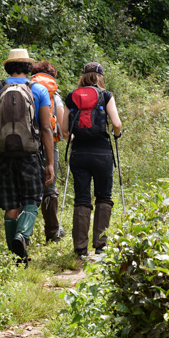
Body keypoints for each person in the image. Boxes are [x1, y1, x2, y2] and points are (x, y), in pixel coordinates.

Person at [0, 49, 56, 264]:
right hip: (30, 154)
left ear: (8, 67)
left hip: (3, 154)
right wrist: (49, 163)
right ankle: (22, 236)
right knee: (32, 199)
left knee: (11, 203)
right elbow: (46, 129)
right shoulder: (38, 89)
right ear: (28, 67)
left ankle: (15, 259)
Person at [65, 62, 123, 260]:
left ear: (83, 76)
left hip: (79, 153)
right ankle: (100, 246)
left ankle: (81, 248)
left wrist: (72, 138)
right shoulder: (106, 95)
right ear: (100, 77)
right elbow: (116, 123)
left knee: (82, 198)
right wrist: (117, 134)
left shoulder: (71, 96)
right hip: (102, 153)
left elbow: (66, 131)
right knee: (103, 197)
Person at [31, 61, 67, 242]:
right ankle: (53, 232)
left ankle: (24, 234)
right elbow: (62, 125)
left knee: (27, 188)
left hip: (25, 144)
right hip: (49, 145)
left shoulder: (25, 89)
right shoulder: (54, 95)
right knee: (49, 189)